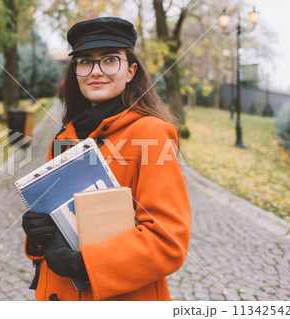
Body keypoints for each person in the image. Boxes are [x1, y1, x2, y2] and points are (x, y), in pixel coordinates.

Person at [21, 17, 191, 301]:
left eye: (110, 60)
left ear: (130, 71)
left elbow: (167, 239)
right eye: (85, 61)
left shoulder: (151, 133)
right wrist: (41, 232)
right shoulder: (65, 136)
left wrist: (84, 264)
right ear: (75, 70)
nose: (96, 71)